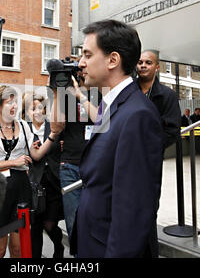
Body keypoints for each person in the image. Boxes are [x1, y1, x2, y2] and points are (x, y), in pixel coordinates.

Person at [55, 19, 164, 257]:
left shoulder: (138, 116)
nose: (80, 63)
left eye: (87, 54)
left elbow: (132, 211)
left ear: (113, 60)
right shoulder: (113, 106)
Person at [0, 85, 60, 258]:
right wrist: (13, 162)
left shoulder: (23, 125)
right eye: (9, 102)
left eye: (15, 102)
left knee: (19, 248)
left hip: (21, 189)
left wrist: (53, 136)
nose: (14, 106)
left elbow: (35, 155)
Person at [49, 69, 100, 246]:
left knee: (96, 219)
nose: (82, 71)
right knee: (73, 222)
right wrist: (57, 93)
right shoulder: (65, 95)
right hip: (69, 165)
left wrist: (80, 95)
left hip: (96, 166)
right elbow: (55, 128)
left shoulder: (101, 92)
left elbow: (101, 120)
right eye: (78, 69)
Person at [22, 93, 64, 258]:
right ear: (27, 112)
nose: (37, 111)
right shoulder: (24, 129)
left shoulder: (54, 127)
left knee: (50, 224)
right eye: (33, 108)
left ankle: (59, 248)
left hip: (53, 181)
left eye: (40, 107)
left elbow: (64, 147)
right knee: (36, 225)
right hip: (33, 183)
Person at [136, 51, 181, 150]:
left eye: (148, 63)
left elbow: (172, 131)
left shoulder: (169, 95)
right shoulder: (127, 90)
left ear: (157, 67)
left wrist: (150, 146)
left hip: (150, 155)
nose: (143, 66)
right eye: (140, 63)